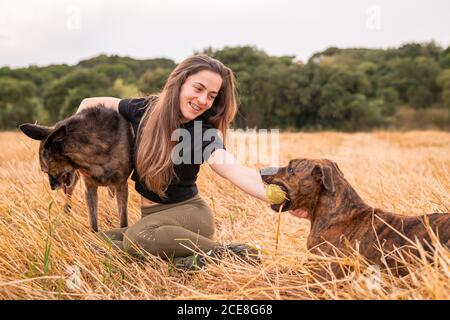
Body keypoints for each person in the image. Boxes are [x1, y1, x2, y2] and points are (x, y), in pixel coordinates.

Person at [77, 55, 272, 269]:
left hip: (190, 217)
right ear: (179, 82)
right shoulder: (145, 110)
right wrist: (70, 137)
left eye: (211, 96)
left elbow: (232, 169)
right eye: (198, 89)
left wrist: (278, 195)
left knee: (137, 238)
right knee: (94, 244)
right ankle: (182, 260)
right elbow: (89, 103)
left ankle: (226, 253)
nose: (203, 100)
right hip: (156, 221)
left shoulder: (201, 133)